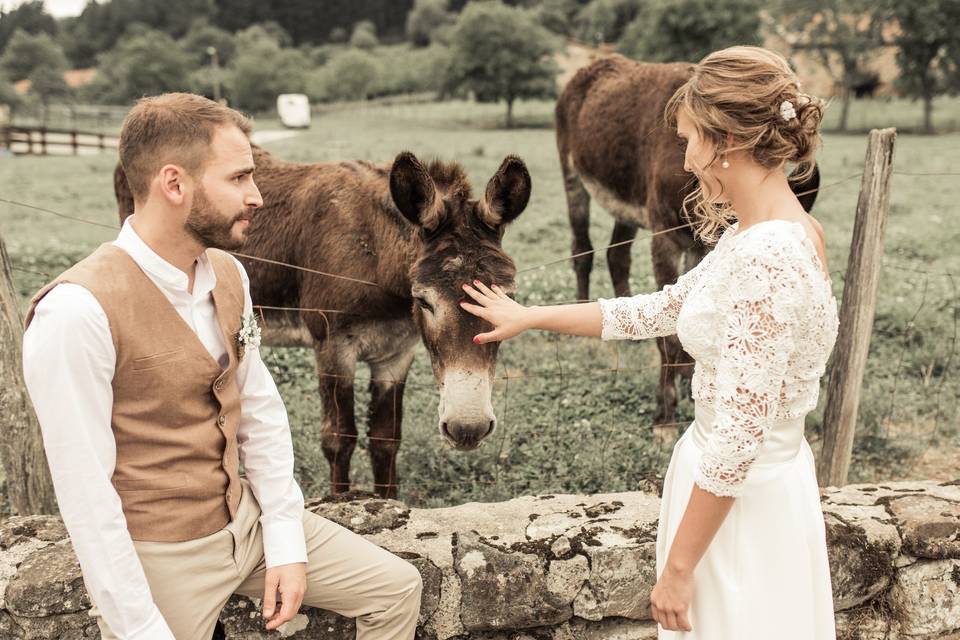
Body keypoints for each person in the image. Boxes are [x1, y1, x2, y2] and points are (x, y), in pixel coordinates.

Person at [460, 46, 839, 639]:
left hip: (738, 516)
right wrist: (531, 316)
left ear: (726, 142)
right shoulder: (780, 231)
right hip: (752, 495)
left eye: (689, 139)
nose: (685, 160)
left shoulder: (767, 260)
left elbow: (739, 440)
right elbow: (664, 307)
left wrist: (680, 569)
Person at [22, 92, 422, 640]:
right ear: (174, 184)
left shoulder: (228, 273)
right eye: (238, 179)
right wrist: (141, 629)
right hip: (164, 553)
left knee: (396, 589)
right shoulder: (75, 312)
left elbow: (259, 411)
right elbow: (86, 496)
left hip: (247, 526)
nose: (257, 196)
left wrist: (283, 538)